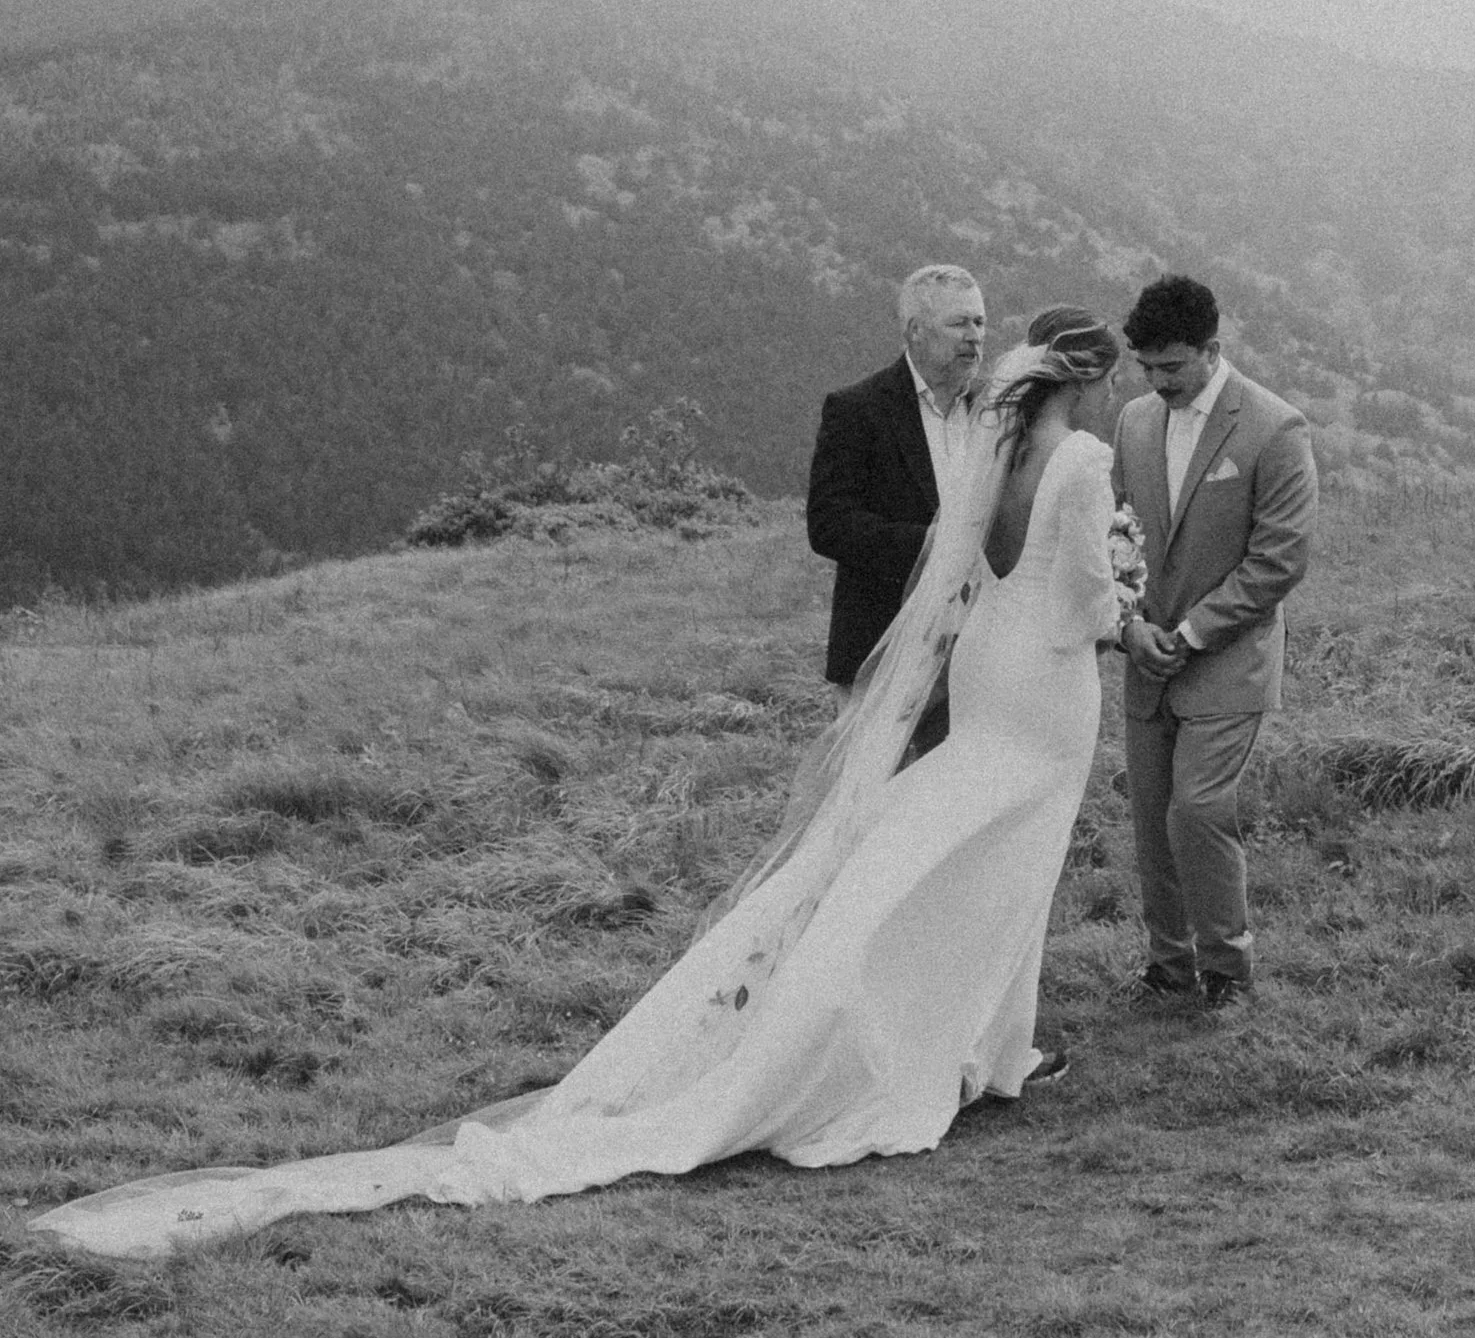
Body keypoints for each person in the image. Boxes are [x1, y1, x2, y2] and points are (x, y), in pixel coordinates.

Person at [34, 308, 1129, 1262]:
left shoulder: (995, 441)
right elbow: (1079, 591)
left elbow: (973, 564)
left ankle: (991, 1042)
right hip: (1044, 677)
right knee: (1011, 860)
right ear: (1093, 372)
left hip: (986, 658)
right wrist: (1128, 610)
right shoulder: (1078, 459)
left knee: (947, 841)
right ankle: (967, 1045)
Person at [1113, 273, 1317, 1008]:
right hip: (1145, 658)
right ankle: (1168, 964)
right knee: (1151, 816)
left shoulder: (1275, 427)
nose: (1159, 381)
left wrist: (1193, 632)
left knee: (1197, 809)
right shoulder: (1133, 422)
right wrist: (1128, 625)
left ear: (1213, 348)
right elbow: (1116, 534)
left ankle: (1226, 968)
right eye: (1148, 367)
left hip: (1229, 659)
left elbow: (1280, 559)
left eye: (1173, 365)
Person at [806, 264, 987, 741]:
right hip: (881, 644)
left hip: (974, 648)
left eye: (979, 323)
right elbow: (828, 524)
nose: (974, 337)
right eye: (959, 324)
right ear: (915, 332)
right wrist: (930, 545)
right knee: (869, 801)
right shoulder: (858, 409)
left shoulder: (992, 412)